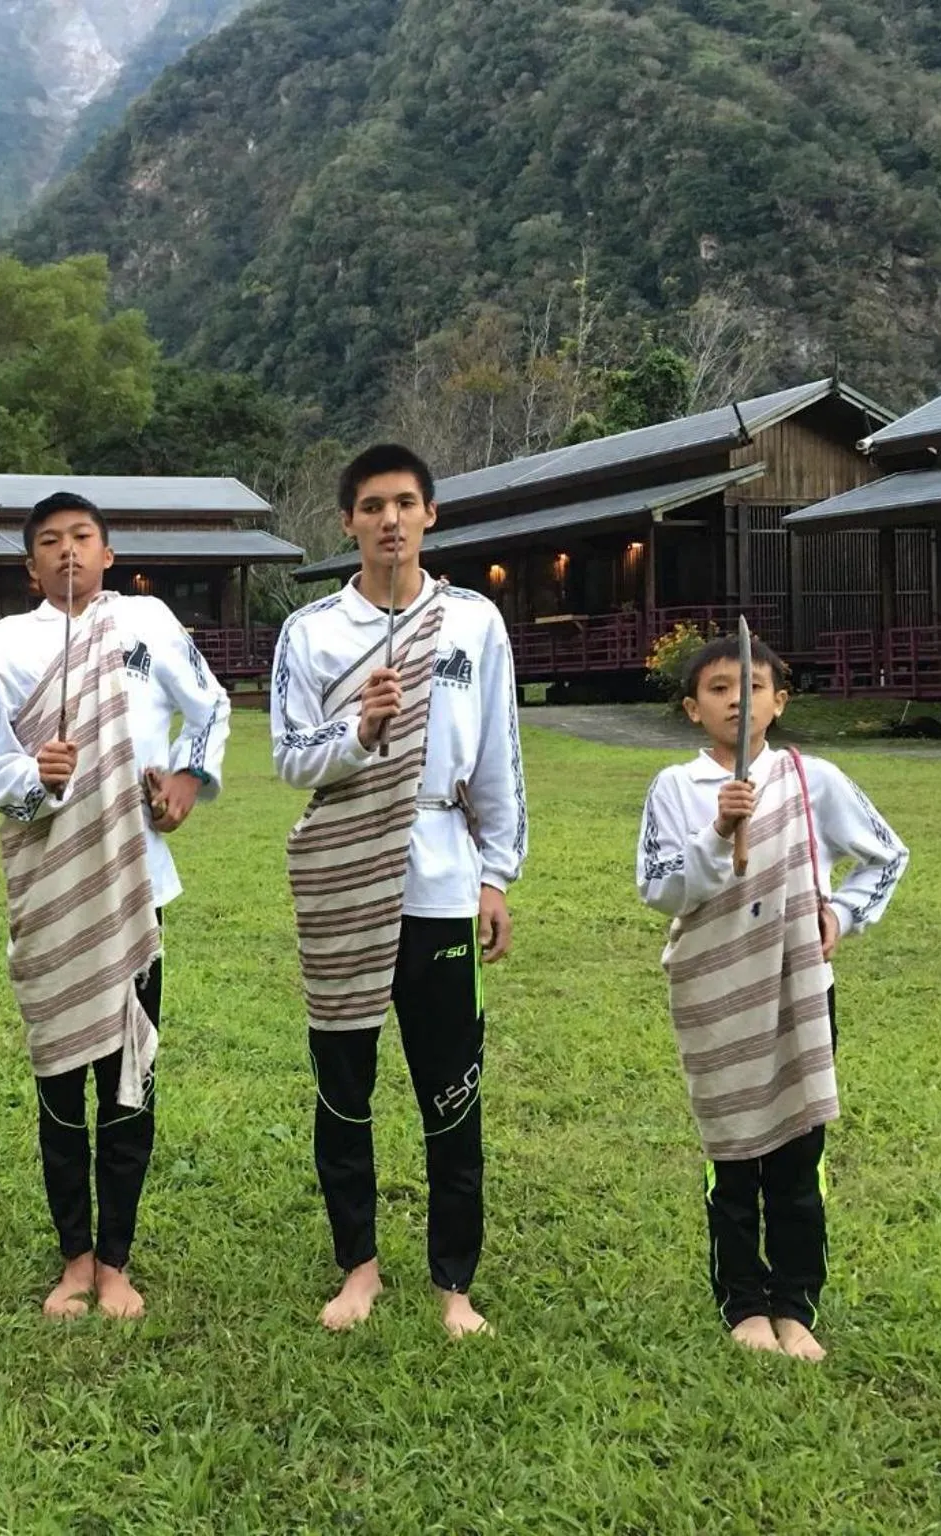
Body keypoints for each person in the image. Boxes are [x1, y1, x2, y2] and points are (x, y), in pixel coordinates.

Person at [271, 443, 527, 1335]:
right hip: (344, 867)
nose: (390, 520)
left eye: (406, 503)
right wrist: (358, 730)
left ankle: (455, 1281)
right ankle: (359, 1268)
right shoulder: (311, 632)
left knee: (450, 1086)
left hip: (443, 872)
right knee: (344, 1083)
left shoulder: (473, 623)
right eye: (373, 505)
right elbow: (289, 755)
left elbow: (498, 755)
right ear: (347, 521)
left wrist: (495, 874)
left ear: (430, 515)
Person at [0, 490, 229, 1319]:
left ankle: (116, 1259)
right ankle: (73, 1258)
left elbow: (210, 706)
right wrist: (34, 778)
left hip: (135, 884)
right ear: (31, 566)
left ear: (108, 553)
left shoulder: (146, 623)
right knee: (58, 1080)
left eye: (83, 536)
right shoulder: (8, 641)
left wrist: (187, 777)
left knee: (128, 1080)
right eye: (51, 541)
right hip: (49, 886)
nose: (69, 551)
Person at [636, 633, 907, 1361]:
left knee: (796, 1154)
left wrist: (840, 913)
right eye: (719, 689)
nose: (738, 701)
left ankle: (795, 1304)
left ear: (779, 702)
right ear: (693, 709)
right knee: (732, 1158)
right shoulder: (676, 787)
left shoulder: (812, 779)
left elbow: (887, 855)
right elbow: (659, 888)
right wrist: (718, 831)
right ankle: (743, 1303)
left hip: (799, 988)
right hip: (717, 989)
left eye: (753, 687)